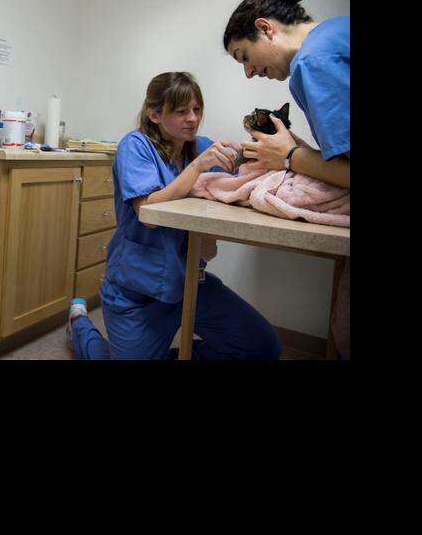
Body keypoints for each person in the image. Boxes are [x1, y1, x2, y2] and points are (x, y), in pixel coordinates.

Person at [67, 71, 282, 360]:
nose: (192, 118)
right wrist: (197, 167)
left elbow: (238, 183)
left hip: (191, 282)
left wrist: (260, 151)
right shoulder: (135, 146)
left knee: (263, 347)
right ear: (154, 114)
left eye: (196, 109)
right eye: (181, 111)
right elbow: (148, 213)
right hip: (137, 291)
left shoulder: (201, 146)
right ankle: (79, 325)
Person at [223, 0, 351, 358]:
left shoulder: (313, 62)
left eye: (243, 56)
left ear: (265, 28)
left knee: (344, 332)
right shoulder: (336, 31)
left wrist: (290, 158)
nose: (248, 72)